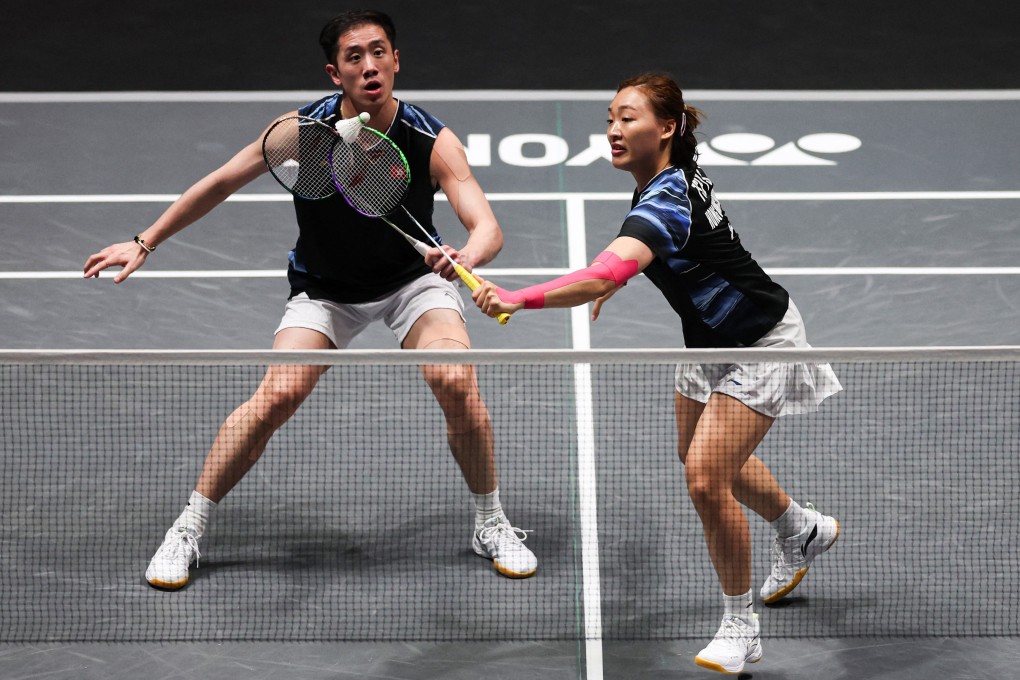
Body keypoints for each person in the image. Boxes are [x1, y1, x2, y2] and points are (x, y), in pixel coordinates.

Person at [83, 9, 537, 589]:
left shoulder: (430, 139)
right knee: (278, 393)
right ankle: (188, 529)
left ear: (397, 61)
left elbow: (487, 226)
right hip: (325, 290)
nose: (369, 65)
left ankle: (490, 522)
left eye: (379, 52)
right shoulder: (303, 131)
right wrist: (145, 241)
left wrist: (466, 256)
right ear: (334, 72)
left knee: (455, 380)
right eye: (355, 57)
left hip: (411, 284)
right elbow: (222, 181)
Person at [472, 73, 842, 674]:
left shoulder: (666, 197)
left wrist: (520, 298)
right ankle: (800, 529)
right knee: (697, 455)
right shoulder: (666, 180)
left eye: (628, 118)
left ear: (666, 128)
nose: (613, 131)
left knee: (704, 479)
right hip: (707, 342)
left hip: (761, 342)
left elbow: (606, 270)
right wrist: (616, 277)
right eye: (610, 119)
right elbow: (661, 251)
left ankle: (740, 625)